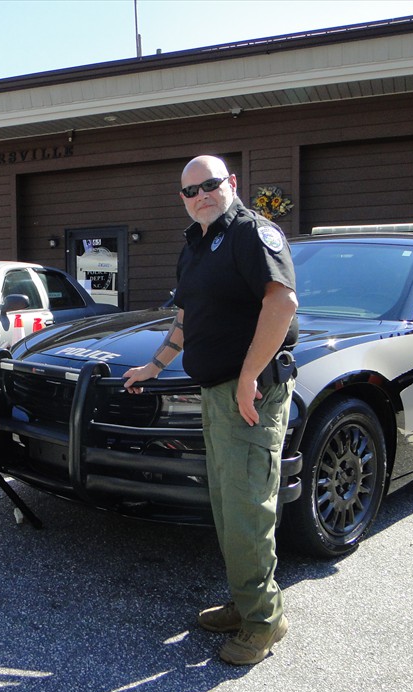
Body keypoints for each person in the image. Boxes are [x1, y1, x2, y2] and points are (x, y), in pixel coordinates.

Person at [123, 155, 299, 665]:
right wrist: (155, 366)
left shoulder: (252, 233)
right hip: (216, 393)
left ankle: (265, 622)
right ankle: (248, 603)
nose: (200, 194)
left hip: (251, 396)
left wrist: (247, 379)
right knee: (227, 507)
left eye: (210, 185)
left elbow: (281, 304)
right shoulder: (195, 245)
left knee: (248, 511)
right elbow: (186, 316)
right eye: (190, 190)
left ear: (232, 184)